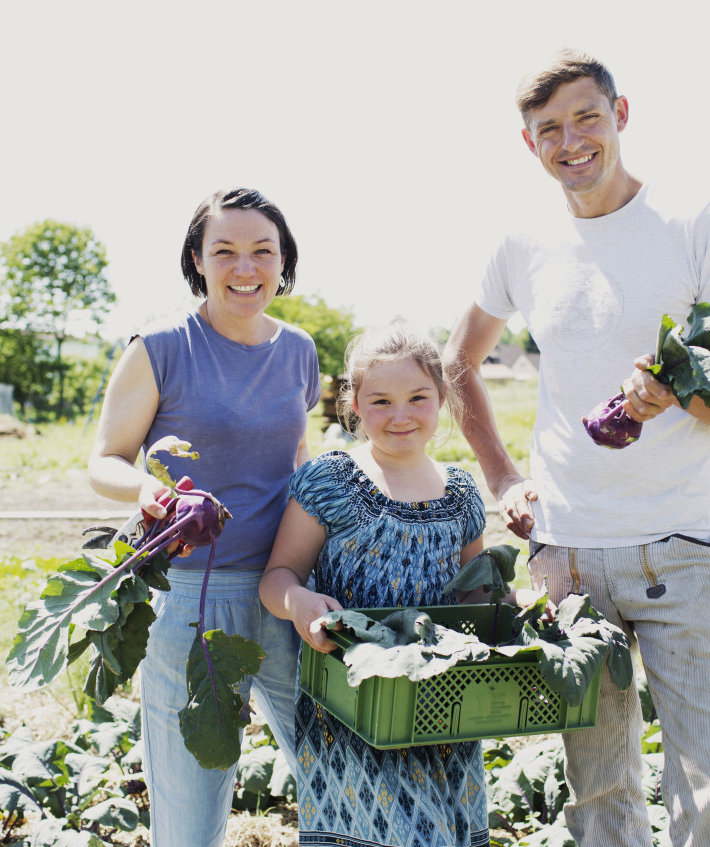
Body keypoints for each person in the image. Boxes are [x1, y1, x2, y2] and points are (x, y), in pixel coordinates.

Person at [443, 49, 710, 847]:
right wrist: (502, 476)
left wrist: (675, 394)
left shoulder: (699, 221)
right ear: (530, 145)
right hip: (569, 557)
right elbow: (455, 365)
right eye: (549, 128)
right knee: (599, 798)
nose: (571, 140)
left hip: (682, 550)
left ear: (621, 116)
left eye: (587, 117)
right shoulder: (521, 243)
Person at [88, 187, 320, 847]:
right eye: (225, 251)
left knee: (334, 767)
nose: (244, 267)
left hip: (285, 591)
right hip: (190, 598)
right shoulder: (161, 346)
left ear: (282, 262)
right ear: (198, 258)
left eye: (261, 251)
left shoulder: (300, 350)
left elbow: (299, 462)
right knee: (190, 813)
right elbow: (106, 459)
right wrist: (147, 494)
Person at [259, 324, 491, 847]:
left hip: (442, 709)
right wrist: (299, 604)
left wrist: (519, 606)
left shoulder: (462, 492)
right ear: (355, 404)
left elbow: (477, 597)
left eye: (417, 398)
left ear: (442, 399)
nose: (401, 415)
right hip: (354, 707)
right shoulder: (330, 481)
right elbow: (277, 578)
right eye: (381, 401)